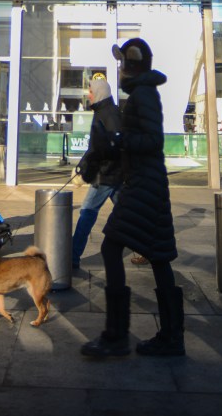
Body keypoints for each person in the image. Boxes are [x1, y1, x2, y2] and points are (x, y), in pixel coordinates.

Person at [82, 38, 184, 359]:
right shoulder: (142, 95)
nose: (121, 69)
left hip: (143, 186)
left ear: (132, 65)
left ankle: (116, 336)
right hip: (147, 184)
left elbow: (152, 140)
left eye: (123, 63)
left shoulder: (144, 95)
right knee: (158, 257)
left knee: (111, 247)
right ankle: (170, 337)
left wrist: (116, 139)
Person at [72, 75, 123, 270]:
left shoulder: (107, 115)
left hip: (105, 175)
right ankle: (148, 249)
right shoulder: (106, 111)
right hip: (113, 174)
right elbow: (97, 146)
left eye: (91, 91)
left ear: (99, 93)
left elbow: (106, 147)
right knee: (128, 215)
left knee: (86, 213)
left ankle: (72, 257)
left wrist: (89, 166)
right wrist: (85, 162)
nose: (88, 95)